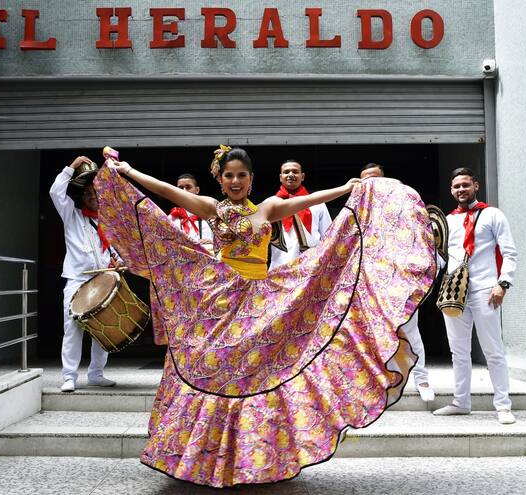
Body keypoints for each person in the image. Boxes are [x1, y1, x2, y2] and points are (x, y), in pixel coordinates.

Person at [92, 147, 436, 487]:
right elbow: (167, 192)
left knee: (258, 377)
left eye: (242, 175)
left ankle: (258, 458)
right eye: (229, 175)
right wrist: (129, 173)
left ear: (252, 178)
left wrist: (346, 189)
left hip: (259, 302)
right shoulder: (213, 208)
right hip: (218, 301)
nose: (236, 181)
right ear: (220, 179)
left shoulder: (268, 208)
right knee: (217, 374)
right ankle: (201, 455)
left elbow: (311, 200)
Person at [432, 167, 518, 424]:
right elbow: (441, 258)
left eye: (465, 185)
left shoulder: (492, 215)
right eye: (457, 186)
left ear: (476, 186)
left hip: (485, 289)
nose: (461, 190)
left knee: (493, 350)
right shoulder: (447, 220)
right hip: (455, 292)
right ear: (451, 190)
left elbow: (510, 252)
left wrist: (502, 283)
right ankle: (461, 402)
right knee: (458, 351)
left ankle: (503, 406)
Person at [360, 163, 436, 402]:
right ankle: (385, 382)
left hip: (402, 280)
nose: (372, 185)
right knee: (375, 334)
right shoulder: (358, 212)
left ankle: (421, 379)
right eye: (366, 181)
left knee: (410, 328)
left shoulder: (404, 205)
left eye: (376, 179)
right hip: (371, 282)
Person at [49, 154, 121, 393]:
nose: (92, 197)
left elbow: (117, 251)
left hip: (102, 279)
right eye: (88, 194)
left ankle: (96, 374)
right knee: (73, 327)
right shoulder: (71, 215)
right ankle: (69, 376)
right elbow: (55, 192)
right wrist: (71, 167)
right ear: (83, 197)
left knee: (102, 328)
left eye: (96, 193)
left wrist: (117, 263)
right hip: (77, 279)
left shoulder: (109, 221)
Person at [270, 159, 332, 267]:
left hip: (311, 266)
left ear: (302, 176)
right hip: (280, 265)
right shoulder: (271, 204)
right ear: (280, 177)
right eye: (286, 172)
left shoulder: (318, 203)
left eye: (295, 171)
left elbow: (328, 236)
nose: (290, 174)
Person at [167, 173, 214, 250]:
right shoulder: (171, 218)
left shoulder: (210, 215)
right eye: (180, 188)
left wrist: (214, 243)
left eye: (188, 187)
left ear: (197, 190)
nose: (184, 191)